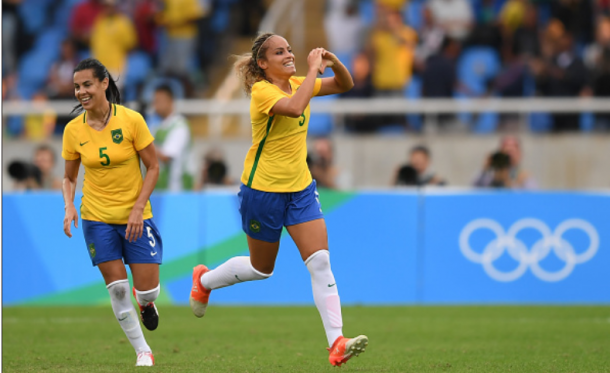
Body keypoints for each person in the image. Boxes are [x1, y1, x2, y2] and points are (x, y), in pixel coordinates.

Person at [188, 32, 369, 367]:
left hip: (300, 188)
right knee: (261, 269)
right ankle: (205, 280)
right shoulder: (262, 91)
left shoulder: (300, 81)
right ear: (262, 63)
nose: (289, 55)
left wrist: (333, 62)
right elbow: (296, 106)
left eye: (289, 49)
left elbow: (345, 84)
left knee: (320, 262)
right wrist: (315, 70)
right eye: (279, 52)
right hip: (263, 192)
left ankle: (337, 342)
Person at [62, 58, 162, 367]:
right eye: (77, 87)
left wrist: (136, 209)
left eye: (87, 85)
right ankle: (143, 351)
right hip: (96, 216)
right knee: (118, 289)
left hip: (135, 216)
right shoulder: (73, 130)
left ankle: (145, 304)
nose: (81, 92)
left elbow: (154, 167)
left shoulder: (131, 120)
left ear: (104, 83)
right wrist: (68, 205)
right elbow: (68, 177)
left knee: (148, 291)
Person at [151, 84, 194, 191]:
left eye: (159, 101)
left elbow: (166, 157)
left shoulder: (180, 126)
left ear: (170, 101)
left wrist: (141, 142)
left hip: (178, 189)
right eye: (154, 101)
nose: (155, 105)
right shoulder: (156, 127)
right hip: (160, 189)